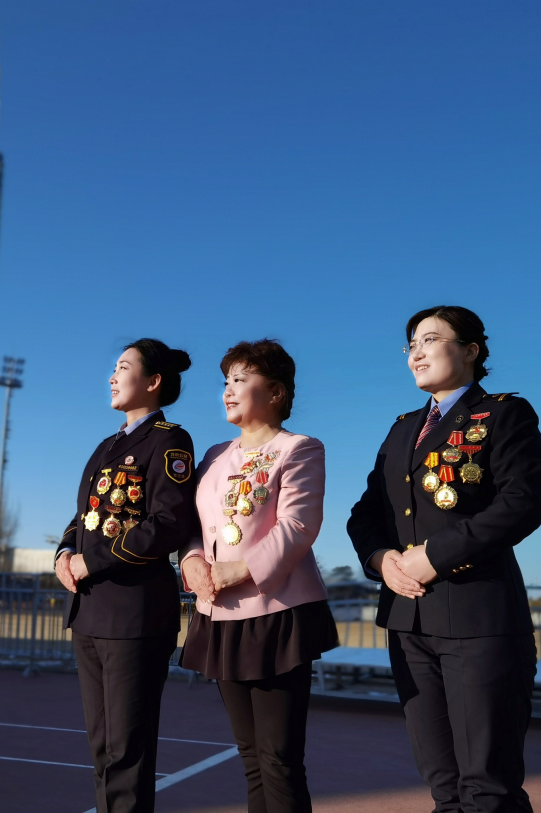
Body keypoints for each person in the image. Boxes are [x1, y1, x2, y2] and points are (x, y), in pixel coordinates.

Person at [346, 306, 541, 813]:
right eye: (411, 344)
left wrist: (435, 556)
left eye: (430, 340)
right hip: (408, 623)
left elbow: (523, 502)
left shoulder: (503, 413)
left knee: (488, 788)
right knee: (444, 788)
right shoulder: (402, 429)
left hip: (479, 620)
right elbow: (365, 513)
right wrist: (381, 559)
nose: (416, 352)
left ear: (471, 350)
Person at [179, 339, 336, 813]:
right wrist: (191, 561)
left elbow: (298, 525)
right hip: (219, 614)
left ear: (276, 392)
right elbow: (192, 526)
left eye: (240, 380)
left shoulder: (299, 448)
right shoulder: (212, 456)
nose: (227, 391)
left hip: (276, 614)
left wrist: (239, 569)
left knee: (279, 759)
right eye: (226, 381)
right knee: (250, 757)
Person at [54, 338, 197, 813]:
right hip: (89, 611)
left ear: (153, 381)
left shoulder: (169, 441)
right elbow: (84, 516)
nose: (112, 377)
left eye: (123, 367)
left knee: (126, 751)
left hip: (134, 614)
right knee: (102, 748)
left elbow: (167, 524)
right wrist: (64, 553)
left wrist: (91, 561)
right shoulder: (107, 445)